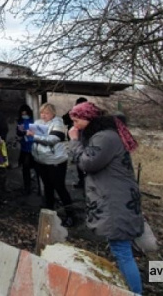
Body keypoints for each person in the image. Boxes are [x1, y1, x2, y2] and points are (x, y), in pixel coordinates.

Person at [66, 101, 143, 294]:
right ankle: (125, 287)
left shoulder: (104, 138)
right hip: (116, 197)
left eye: (77, 120)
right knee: (120, 248)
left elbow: (87, 163)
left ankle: (134, 292)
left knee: (122, 251)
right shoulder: (104, 134)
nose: (74, 125)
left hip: (115, 200)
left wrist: (74, 141)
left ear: (88, 118)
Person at [28, 103, 75, 227]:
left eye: (47, 113)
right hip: (41, 160)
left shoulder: (57, 123)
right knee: (47, 187)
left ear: (53, 113)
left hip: (55, 161)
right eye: (42, 112)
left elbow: (53, 140)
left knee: (59, 187)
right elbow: (33, 138)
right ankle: (49, 213)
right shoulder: (38, 122)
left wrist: (35, 136)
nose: (44, 115)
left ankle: (70, 215)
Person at [63, 97, 88, 188]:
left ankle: (84, 182)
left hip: (83, 140)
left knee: (82, 161)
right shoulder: (72, 112)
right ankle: (82, 182)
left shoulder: (88, 116)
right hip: (74, 138)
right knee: (79, 160)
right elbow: (64, 119)